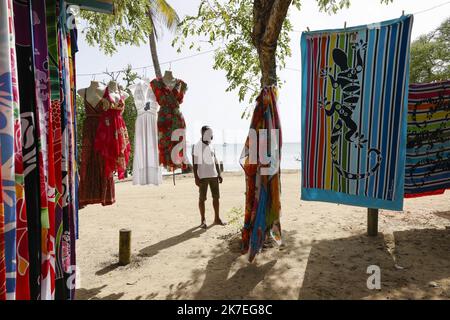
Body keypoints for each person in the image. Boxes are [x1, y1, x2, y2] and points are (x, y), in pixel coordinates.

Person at [192, 126, 225, 229]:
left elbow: (215, 160)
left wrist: (219, 173)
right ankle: (203, 220)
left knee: (216, 198)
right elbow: (195, 164)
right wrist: (196, 178)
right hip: (203, 177)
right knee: (202, 199)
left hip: (214, 175)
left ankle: (217, 218)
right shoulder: (197, 146)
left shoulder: (212, 145)